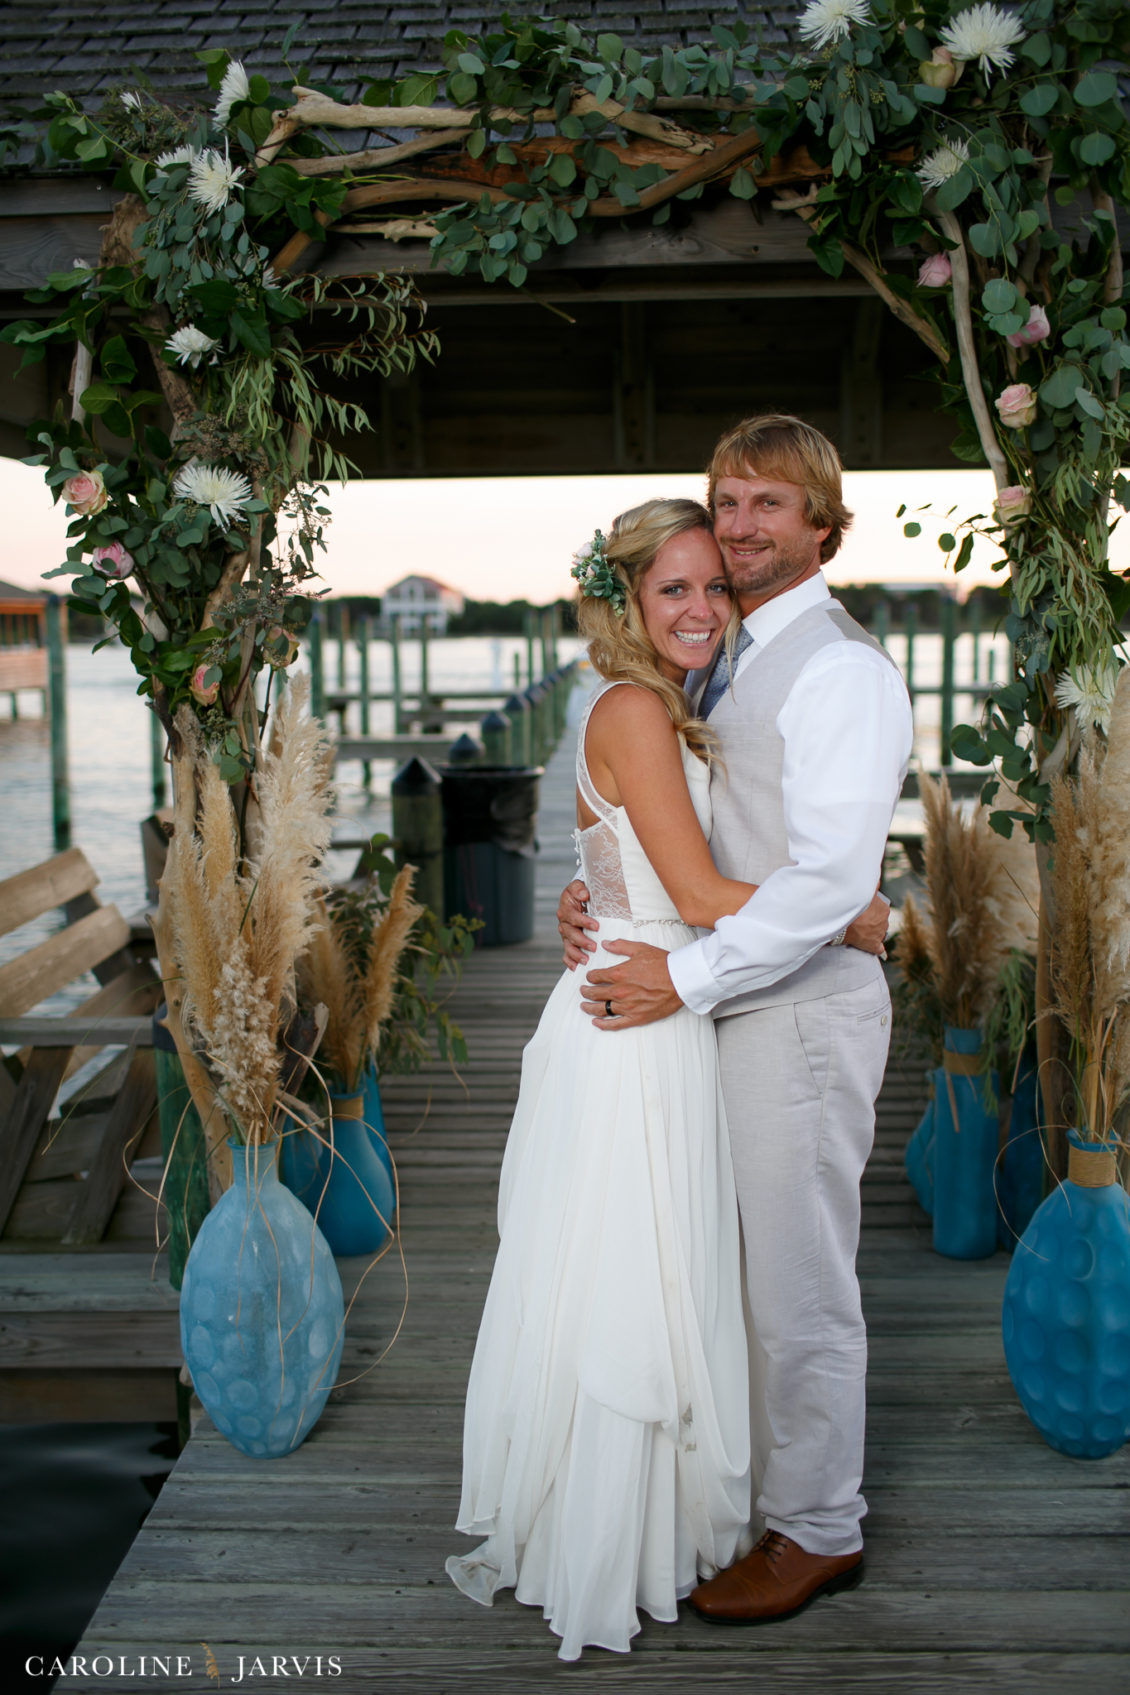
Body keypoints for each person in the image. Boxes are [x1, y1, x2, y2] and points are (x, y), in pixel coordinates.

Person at [446, 496, 887, 1661]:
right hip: (637, 1030)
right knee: (635, 1279)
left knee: (646, 1270)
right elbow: (694, 897)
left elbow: (645, 864)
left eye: (715, 587)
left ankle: (660, 1518)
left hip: (654, 1005)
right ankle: (622, 1533)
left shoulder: (667, 703)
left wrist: (595, 895)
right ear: (627, 602)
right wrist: (854, 911)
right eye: (672, 590)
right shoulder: (641, 708)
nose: (701, 608)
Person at [560, 415, 913, 1627]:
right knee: (741, 1273)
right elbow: (690, 826)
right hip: (730, 1001)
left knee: (799, 1287)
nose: (744, 522)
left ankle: (819, 1531)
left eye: (771, 503)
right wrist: (602, 890)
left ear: (821, 524)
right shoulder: (728, 657)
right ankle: (768, 1493)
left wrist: (689, 975)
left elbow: (824, 879)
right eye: (729, 500)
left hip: (798, 1014)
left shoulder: (839, 670)